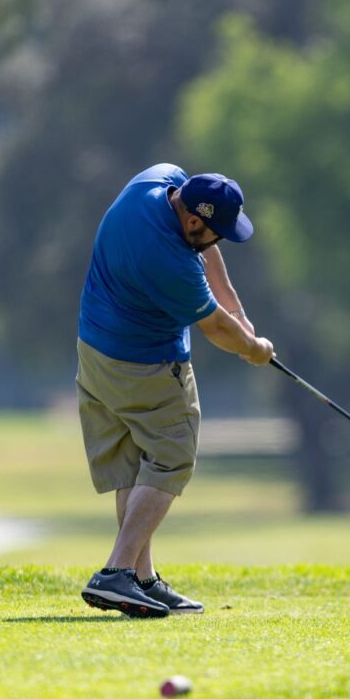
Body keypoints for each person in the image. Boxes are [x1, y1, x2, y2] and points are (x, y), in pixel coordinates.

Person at [76, 163, 274, 618]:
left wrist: (241, 315)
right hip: (145, 365)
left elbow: (210, 263)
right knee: (170, 458)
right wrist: (254, 347)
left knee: (134, 465)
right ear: (192, 222)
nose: (217, 241)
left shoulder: (157, 179)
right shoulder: (169, 261)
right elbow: (217, 330)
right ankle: (116, 572)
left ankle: (139, 580)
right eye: (215, 231)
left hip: (95, 353)